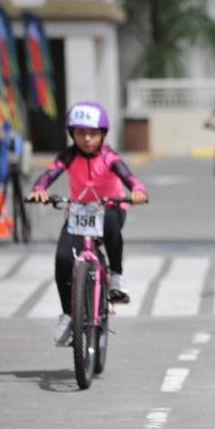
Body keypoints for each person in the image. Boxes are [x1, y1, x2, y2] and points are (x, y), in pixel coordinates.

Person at [27, 101, 149, 346]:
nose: (87, 139)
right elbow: (50, 173)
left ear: (103, 134)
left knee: (113, 223)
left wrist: (137, 190)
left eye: (93, 133)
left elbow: (128, 176)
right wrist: (39, 189)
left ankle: (116, 276)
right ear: (72, 134)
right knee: (63, 259)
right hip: (78, 212)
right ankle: (68, 316)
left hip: (109, 207)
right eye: (80, 133)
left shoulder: (109, 156)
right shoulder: (68, 156)